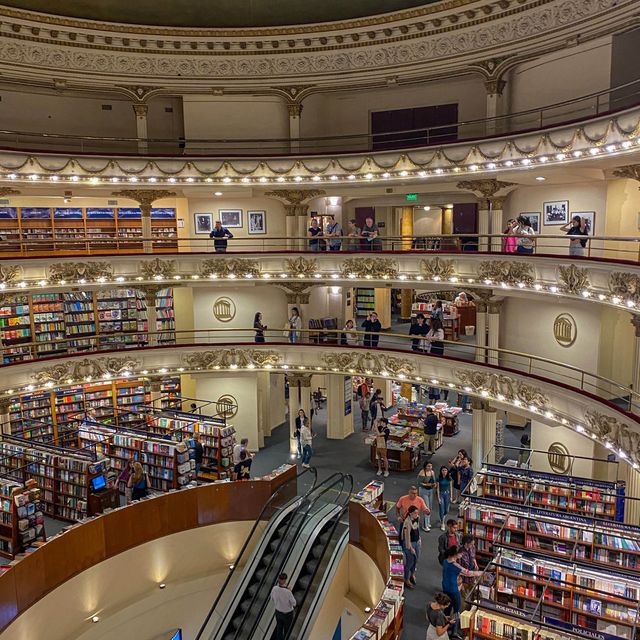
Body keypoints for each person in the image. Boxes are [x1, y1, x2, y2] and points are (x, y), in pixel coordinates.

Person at [441, 545, 482, 636]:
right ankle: (454, 631)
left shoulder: (445, 561)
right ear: (456, 554)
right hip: (453, 590)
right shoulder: (456, 566)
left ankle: (445, 625)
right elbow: (469, 573)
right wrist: (482, 573)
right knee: (457, 610)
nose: (462, 555)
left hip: (445, 588)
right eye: (461, 553)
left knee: (447, 608)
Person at [271, 572, 296, 640]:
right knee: (287, 630)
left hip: (278, 612)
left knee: (279, 629)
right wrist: (289, 590)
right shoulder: (288, 592)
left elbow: (272, 599)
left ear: (279, 580)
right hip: (287, 614)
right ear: (285, 580)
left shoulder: (274, 588)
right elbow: (294, 603)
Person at [401, 505, 421, 588]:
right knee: (410, 562)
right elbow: (406, 537)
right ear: (410, 513)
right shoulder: (407, 522)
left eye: (417, 512)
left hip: (416, 542)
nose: (417, 514)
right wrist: (410, 548)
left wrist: (419, 538)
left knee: (416, 559)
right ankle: (406, 579)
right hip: (410, 544)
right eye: (415, 513)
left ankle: (412, 574)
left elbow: (417, 528)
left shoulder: (417, 518)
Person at [458, 534, 479, 603]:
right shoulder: (460, 553)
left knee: (474, 593)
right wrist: (460, 582)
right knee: (465, 598)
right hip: (464, 578)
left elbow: (473, 557)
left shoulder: (472, 548)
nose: (473, 546)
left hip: (472, 575)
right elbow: (458, 568)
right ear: (466, 543)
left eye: (473, 544)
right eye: (471, 544)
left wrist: (475, 563)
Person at [418, 461, 436, 531]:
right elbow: (418, 483)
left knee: (430, 507)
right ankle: (424, 525)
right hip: (423, 490)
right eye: (428, 466)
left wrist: (434, 484)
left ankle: (428, 522)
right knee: (426, 507)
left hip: (430, 490)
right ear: (425, 466)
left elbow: (433, 481)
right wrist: (425, 484)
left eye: (431, 466)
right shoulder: (422, 472)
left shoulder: (432, 472)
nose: (430, 467)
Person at [436, 466, 452, 530]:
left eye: (445, 470)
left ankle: (442, 517)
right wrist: (438, 498)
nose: (444, 471)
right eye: (443, 470)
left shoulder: (449, 478)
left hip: (447, 494)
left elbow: (450, 487)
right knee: (441, 508)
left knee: (446, 510)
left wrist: (451, 496)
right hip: (441, 494)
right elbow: (437, 488)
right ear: (441, 471)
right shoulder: (439, 478)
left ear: (447, 471)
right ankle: (442, 523)